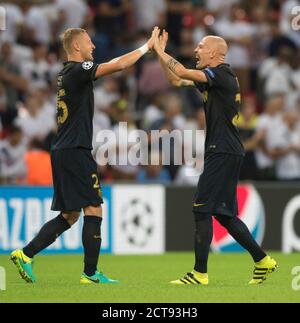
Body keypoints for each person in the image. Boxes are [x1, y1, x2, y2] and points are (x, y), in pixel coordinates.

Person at [10, 27, 157, 284]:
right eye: (89, 42)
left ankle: (26, 254)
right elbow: (119, 64)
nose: (94, 46)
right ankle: (90, 274)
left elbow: (110, 63)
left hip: (63, 149)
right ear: (76, 47)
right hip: (75, 150)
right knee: (94, 208)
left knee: (71, 214)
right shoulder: (77, 71)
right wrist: (147, 47)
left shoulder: (68, 74)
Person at [152, 27, 277, 285]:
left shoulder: (221, 74)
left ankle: (199, 273)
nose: (196, 50)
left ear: (213, 53)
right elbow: (176, 80)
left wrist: (162, 51)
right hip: (226, 149)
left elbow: (183, 71)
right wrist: (159, 55)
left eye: (200, 47)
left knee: (201, 208)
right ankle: (263, 261)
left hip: (222, 149)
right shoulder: (214, 77)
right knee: (224, 214)